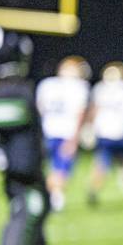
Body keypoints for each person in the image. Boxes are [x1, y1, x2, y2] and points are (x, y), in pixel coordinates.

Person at [0, 26, 69, 245]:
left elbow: (19, 160)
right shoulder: (19, 90)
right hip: (26, 193)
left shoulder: (13, 94)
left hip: (29, 195)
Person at [36, 55, 91, 211]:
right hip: (67, 132)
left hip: (47, 131)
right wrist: (75, 138)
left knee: (45, 168)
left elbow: (40, 109)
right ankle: (54, 197)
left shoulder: (47, 84)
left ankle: (50, 196)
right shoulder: (79, 87)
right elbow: (80, 114)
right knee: (61, 169)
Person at [86, 61, 123, 206]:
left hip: (104, 133)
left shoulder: (101, 89)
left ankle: (93, 189)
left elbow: (94, 111)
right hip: (121, 134)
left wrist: (89, 127)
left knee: (101, 163)